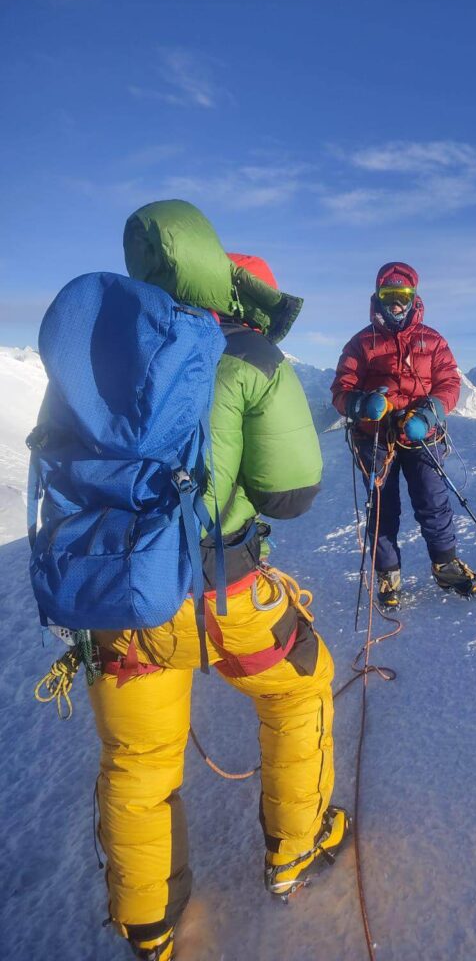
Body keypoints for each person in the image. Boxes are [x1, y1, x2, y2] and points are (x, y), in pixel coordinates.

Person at [80, 202, 346, 960]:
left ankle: (149, 925)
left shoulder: (99, 343)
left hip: (113, 599)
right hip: (217, 596)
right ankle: (296, 847)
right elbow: (292, 494)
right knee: (300, 686)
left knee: (137, 761)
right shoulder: (250, 356)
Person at [331, 262, 476, 609]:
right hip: (376, 438)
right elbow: (341, 390)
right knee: (383, 509)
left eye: (402, 297)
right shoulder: (361, 344)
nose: (395, 305)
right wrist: (361, 403)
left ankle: (445, 566)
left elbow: (449, 384)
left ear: (413, 298)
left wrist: (429, 412)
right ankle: (388, 575)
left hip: (421, 433)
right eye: (389, 296)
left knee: (433, 501)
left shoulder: (432, 340)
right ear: (378, 298)